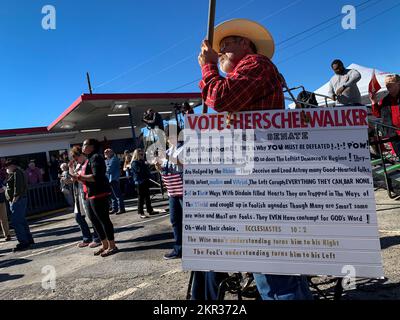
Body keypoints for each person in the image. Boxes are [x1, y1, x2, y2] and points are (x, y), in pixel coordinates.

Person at [196, 18, 312, 300]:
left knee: (273, 269)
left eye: (227, 45)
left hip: (262, 176)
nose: (221, 51)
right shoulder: (247, 70)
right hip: (256, 172)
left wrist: (208, 66)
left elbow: (222, 98)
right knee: (271, 265)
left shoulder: (256, 64)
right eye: (219, 47)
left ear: (246, 44)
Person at [71, 139, 118, 257]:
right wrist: (79, 177)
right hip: (90, 193)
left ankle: (112, 246)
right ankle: (105, 245)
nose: (82, 147)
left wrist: (80, 177)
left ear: (91, 147)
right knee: (94, 221)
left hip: (99, 193)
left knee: (104, 220)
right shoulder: (90, 158)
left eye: (84, 144)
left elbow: (96, 177)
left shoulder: (96, 157)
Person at [154, 124, 183, 260]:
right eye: (167, 136)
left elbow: (185, 164)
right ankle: (179, 249)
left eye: (171, 135)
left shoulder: (184, 147)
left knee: (188, 221)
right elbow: (166, 170)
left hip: (185, 192)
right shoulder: (169, 151)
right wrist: (159, 166)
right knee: (175, 221)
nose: (169, 139)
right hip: (172, 192)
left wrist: (167, 158)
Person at [69, 146, 101, 248]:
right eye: (73, 157)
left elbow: (82, 177)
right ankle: (87, 238)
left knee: (92, 217)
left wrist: (72, 173)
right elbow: (74, 178)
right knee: (79, 217)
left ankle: (97, 238)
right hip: (78, 193)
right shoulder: (78, 164)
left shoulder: (87, 163)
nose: (74, 159)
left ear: (80, 155)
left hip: (86, 192)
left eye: (75, 156)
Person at [4, 159, 34, 252]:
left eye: (7, 166)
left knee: (16, 221)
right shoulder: (17, 173)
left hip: (18, 200)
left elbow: (18, 187)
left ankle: (23, 242)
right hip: (19, 199)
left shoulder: (17, 173)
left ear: (12, 165)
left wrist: (14, 199)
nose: (6, 168)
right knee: (22, 220)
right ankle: (28, 239)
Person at [370, 74, 400, 154]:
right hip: (393, 134)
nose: (387, 86)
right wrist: (373, 101)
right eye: (386, 84)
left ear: (398, 83)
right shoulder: (385, 100)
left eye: (390, 83)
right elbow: (377, 114)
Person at [130, 149, 154, 219]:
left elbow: (147, 171)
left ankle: (150, 210)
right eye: (141, 154)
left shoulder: (142, 162)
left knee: (147, 197)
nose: (142, 156)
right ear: (137, 155)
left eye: (143, 154)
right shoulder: (134, 163)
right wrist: (145, 165)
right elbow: (139, 171)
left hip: (145, 181)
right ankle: (141, 212)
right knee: (141, 198)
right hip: (139, 182)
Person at [104, 149, 126, 215]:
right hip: (109, 179)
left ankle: (121, 208)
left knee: (117, 195)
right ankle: (115, 208)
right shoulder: (107, 160)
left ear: (111, 153)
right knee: (112, 195)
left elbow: (109, 169)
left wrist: (104, 169)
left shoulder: (114, 159)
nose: (105, 153)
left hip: (114, 179)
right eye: (105, 152)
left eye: (107, 152)